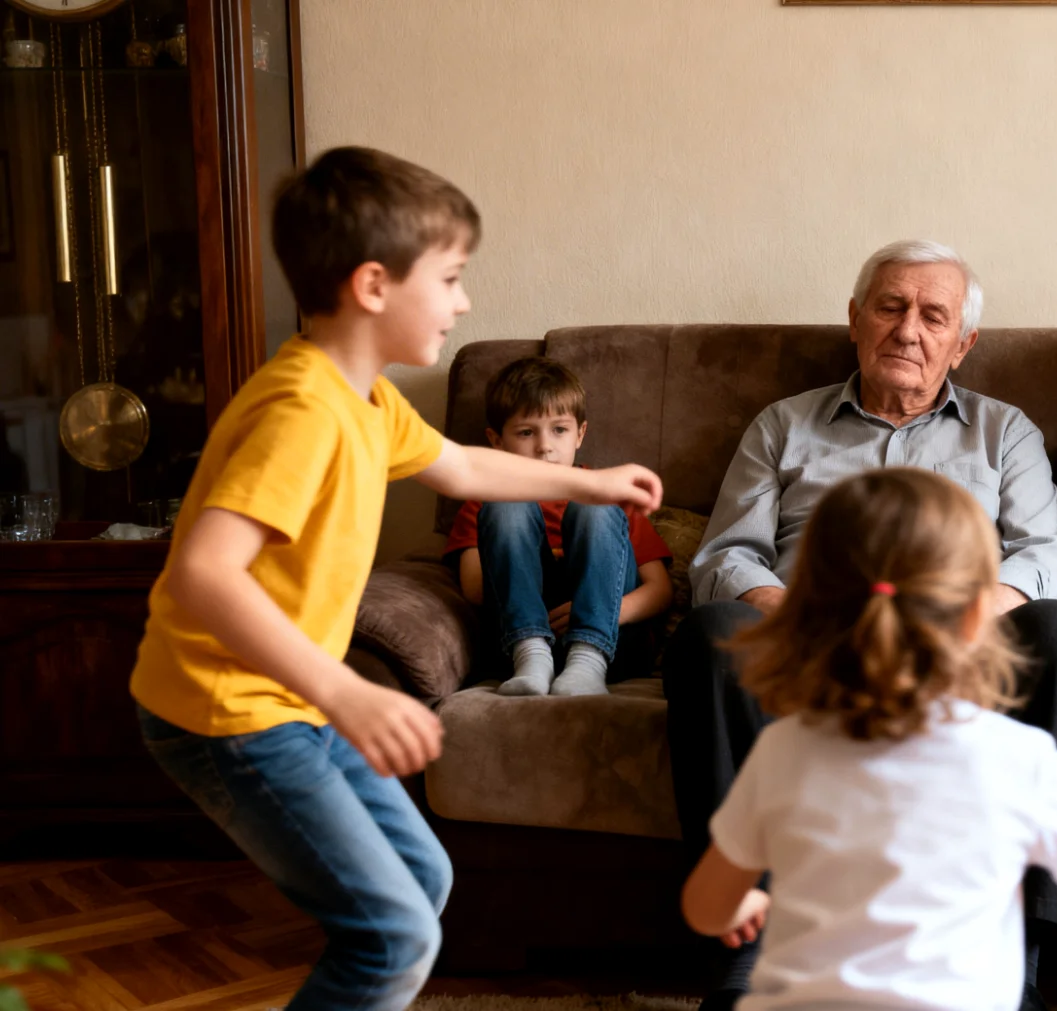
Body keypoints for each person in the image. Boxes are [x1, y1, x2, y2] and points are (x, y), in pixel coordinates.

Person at [128, 147, 663, 1011]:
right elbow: (202, 574)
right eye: (451, 277)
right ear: (374, 284)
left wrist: (589, 483)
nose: (465, 300)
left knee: (423, 876)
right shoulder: (302, 411)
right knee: (393, 935)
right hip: (226, 711)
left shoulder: (366, 398)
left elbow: (462, 466)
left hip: (284, 703)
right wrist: (347, 692)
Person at [665, 239, 1057, 1010]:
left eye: (934, 315)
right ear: (855, 319)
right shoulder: (782, 425)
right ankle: (752, 944)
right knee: (709, 632)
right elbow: (726, 552)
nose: (908, 329)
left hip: (962, 638)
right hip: (807, 625)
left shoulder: (1006, 433)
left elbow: (1041, 556)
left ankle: (1022, 950)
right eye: (891, 306)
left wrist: (965, 624)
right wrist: (788, 610)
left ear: (962, 344)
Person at [680, 468, 1057, 1011]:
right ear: (977, 621)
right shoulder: (1018, 761)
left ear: (809, 614)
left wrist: (740, 907)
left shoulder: (784, 752)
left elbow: (705, 904)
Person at [443, 356, 673, 696]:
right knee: (507, 501)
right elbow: (477, 588)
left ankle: (588, 659)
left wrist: (599, 609)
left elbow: (661, 590)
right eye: (526, 432)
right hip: (519, 644)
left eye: (559, 430)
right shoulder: (484, 498)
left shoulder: (611, 494)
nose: (545, 446)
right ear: (496, 441)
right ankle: (532, 653)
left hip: (612, 641)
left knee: (594, 506)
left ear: (580, 433)